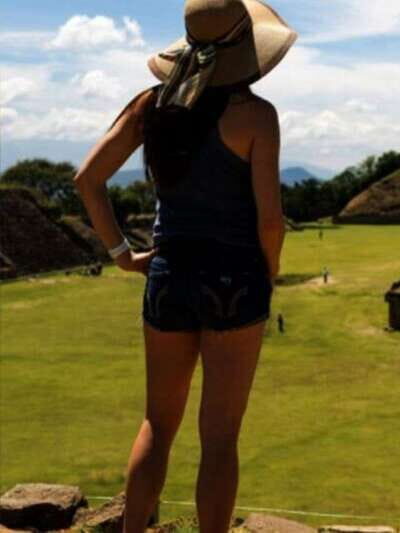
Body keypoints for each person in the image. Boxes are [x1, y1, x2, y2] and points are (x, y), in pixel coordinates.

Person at [72, 1, 297, 531]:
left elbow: (87, 180)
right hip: (235, 281)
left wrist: (122, 255)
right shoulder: (255, 114)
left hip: (168, 276)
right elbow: (271, 222)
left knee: (157, 423)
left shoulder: (152, 105)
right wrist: (267, 272)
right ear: (245, 48)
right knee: (220, 438)